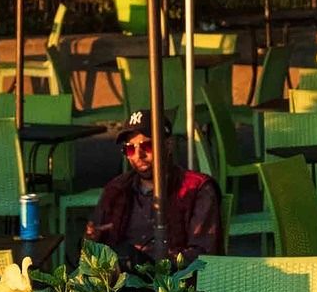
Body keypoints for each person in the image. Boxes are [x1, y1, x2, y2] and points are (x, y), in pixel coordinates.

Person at [86, 109, 223, 263]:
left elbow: (204, 254)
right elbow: (93, 249)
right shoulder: (116, 189)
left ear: (169, 145)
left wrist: (153, 264)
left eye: (147, 146)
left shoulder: (196, 189)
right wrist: (92, 238)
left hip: (173, 282)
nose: (139, 156)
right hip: (121, 280)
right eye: (130, 149)